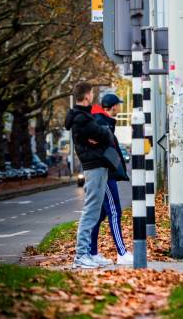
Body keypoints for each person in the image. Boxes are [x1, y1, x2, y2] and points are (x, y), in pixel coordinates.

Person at [65, 82, 114, 269]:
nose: (93, 96)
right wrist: (103, 134)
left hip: (97, 164)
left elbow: (102, 136)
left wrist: (101, 137)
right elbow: (105, 135)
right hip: (94, 165)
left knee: (94, 211)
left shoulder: (84, 117)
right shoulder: (82, 119)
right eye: (92, 93)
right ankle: (80, 255)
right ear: (86, 96)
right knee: (90, 211)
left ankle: (89, 253)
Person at [89, 93, 133, 265]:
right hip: (104, 173)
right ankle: (121, 253)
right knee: (115, 211)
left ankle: (91, 252)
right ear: (113, 106)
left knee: (99, 215)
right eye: (118, 105)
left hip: (105, 171)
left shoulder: (102, 121)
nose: (120, 108)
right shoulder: (101, 122)